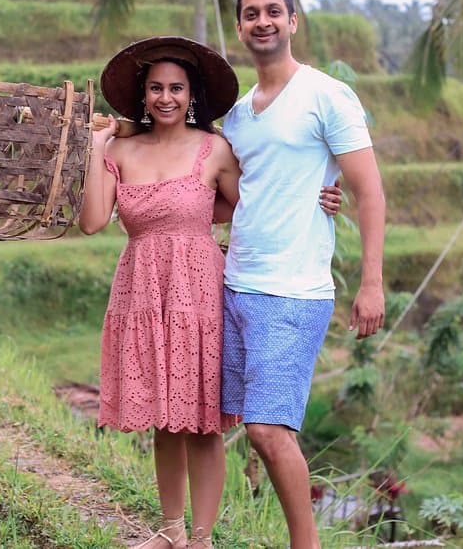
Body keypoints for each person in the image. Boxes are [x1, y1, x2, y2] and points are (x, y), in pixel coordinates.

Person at [79, 36, 343, 549]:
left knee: (201, 421)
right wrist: (95, 145)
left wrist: (323, 197)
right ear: (143, 94)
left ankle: (201, 539)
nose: (166, 98)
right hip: (142, 290)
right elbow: (92, 221)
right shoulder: (120, 151)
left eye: (176, 88)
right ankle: (171, 531)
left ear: (191, 94)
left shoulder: (214, 148)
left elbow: (260, 202)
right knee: (164, 418)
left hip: (199, 294)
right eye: (155, 88)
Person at [219, 0, 387, 549]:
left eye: (273, 11)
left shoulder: (327, 95)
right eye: (250, 13)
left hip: (294, 290)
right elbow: (238, 196)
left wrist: (372, 283)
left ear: (293, 20)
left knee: (268, 429)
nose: (262, 21)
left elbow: (369, 190)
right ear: (239, 27)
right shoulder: (239, 116)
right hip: (236, 285)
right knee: (240, 422)